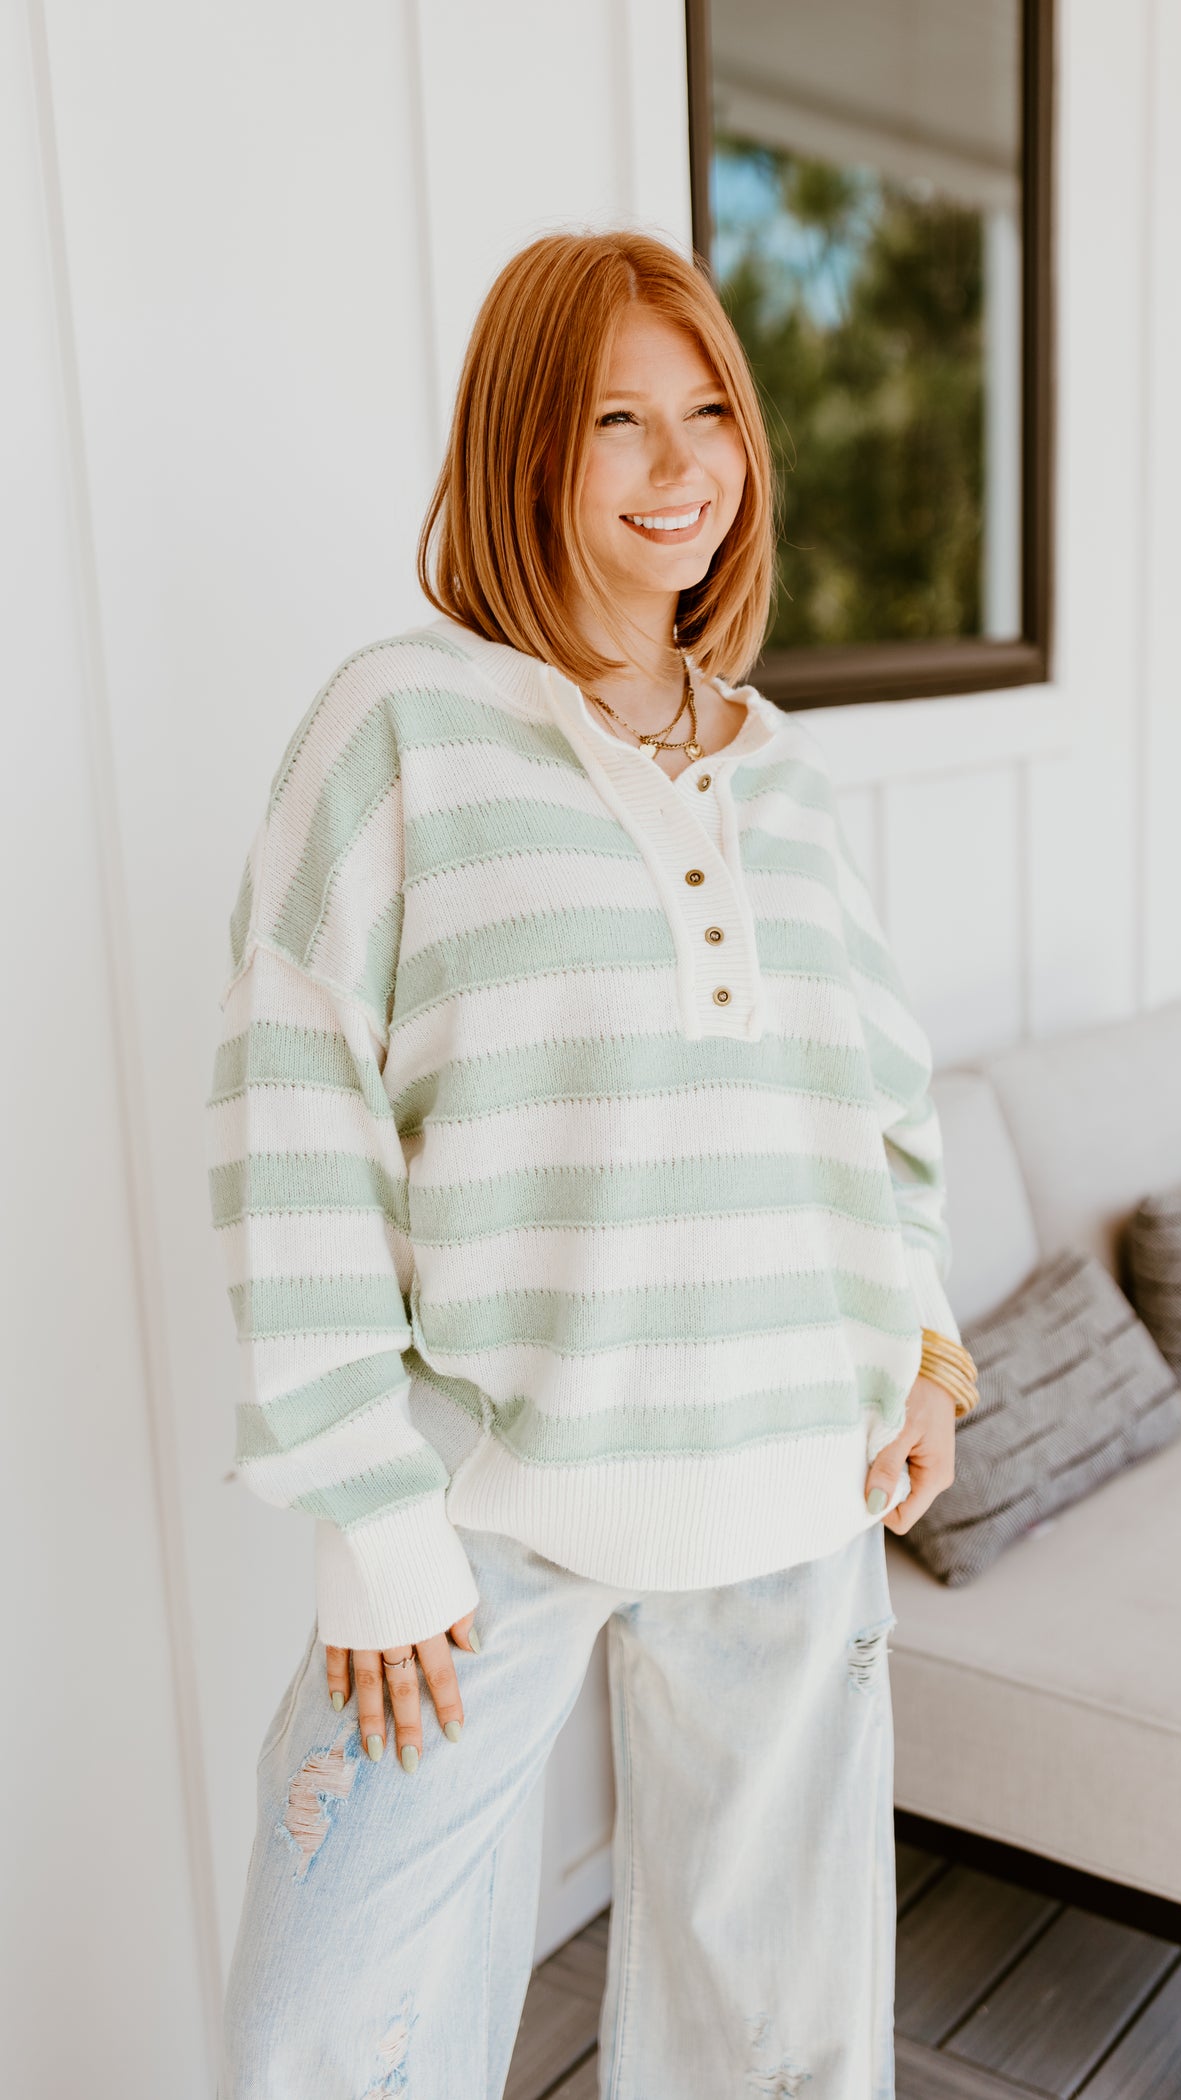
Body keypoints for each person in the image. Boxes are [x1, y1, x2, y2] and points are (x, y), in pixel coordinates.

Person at [205, 226, 978, 2100]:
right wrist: (370, 1520)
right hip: (490, 1515)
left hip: (796, 1491)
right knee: (330, 2037)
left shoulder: (782, 776)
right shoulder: (399, 729)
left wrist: (930, 1355)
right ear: (521, 446)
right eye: (619, 419)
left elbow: (870, 1119)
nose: (683, 463)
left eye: (710, 411)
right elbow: (293, 1115)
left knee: (772, 2046)